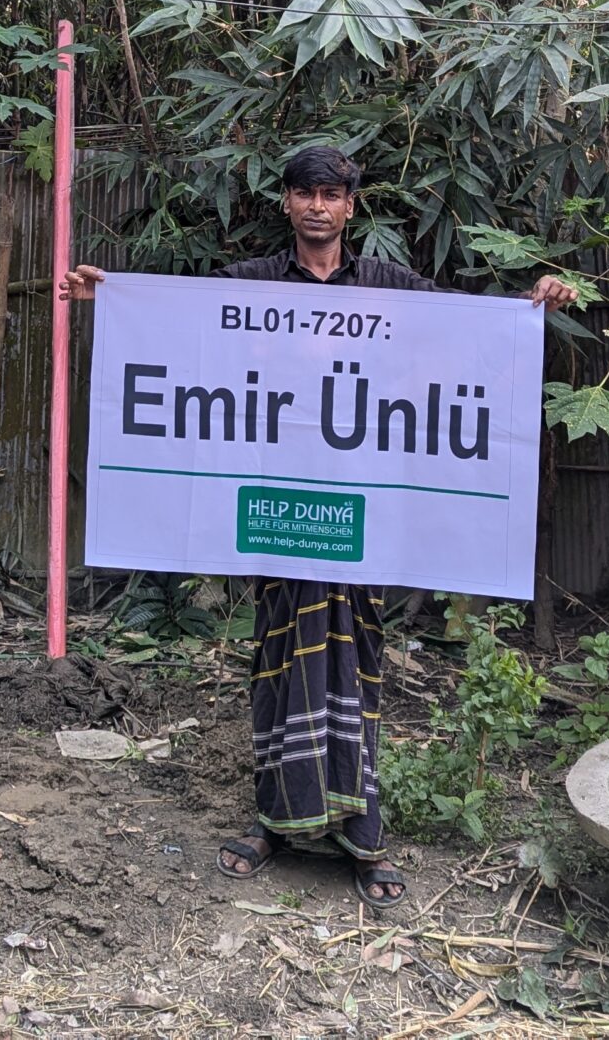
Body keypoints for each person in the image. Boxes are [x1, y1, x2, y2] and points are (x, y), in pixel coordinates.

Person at [62, 143, 578, 906]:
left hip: (361, 516)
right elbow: (178, 322)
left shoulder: (391, 287)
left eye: (331, 195)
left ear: (350, 207)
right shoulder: (251, 285)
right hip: (277, 513)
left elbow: (464, 331)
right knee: (278, 663)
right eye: (304, 193)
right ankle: (274, 820)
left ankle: (363, 837)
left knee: (355, 668)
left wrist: (529, 305)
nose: (317, 207)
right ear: (286, 202)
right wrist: (111, 297)